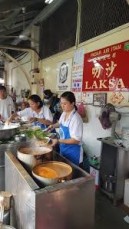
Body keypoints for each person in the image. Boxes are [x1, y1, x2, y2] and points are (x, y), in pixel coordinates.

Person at [48, 91, 83, 166]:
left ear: (72, 103)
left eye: (65, 104)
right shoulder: (64, 113)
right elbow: (60, 123)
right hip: (64, 149)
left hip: (73, 152)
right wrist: (53, 126)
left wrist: (58, 141)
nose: (62, 106)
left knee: (72, 174)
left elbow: (76, 140)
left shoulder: (76, 119)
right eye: (61, 103)